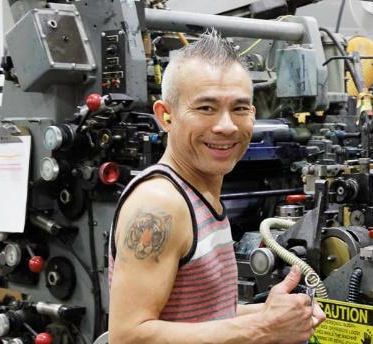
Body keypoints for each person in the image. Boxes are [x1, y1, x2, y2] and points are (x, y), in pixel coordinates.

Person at [108, 29, 326, 343]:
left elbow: (203, 317)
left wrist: (272, 314)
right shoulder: (160, 204)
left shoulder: (202, 193)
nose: (225, 126)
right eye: (206, 108)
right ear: (166, 116)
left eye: (239, 109)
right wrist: (263, 329)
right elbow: (129, 337)